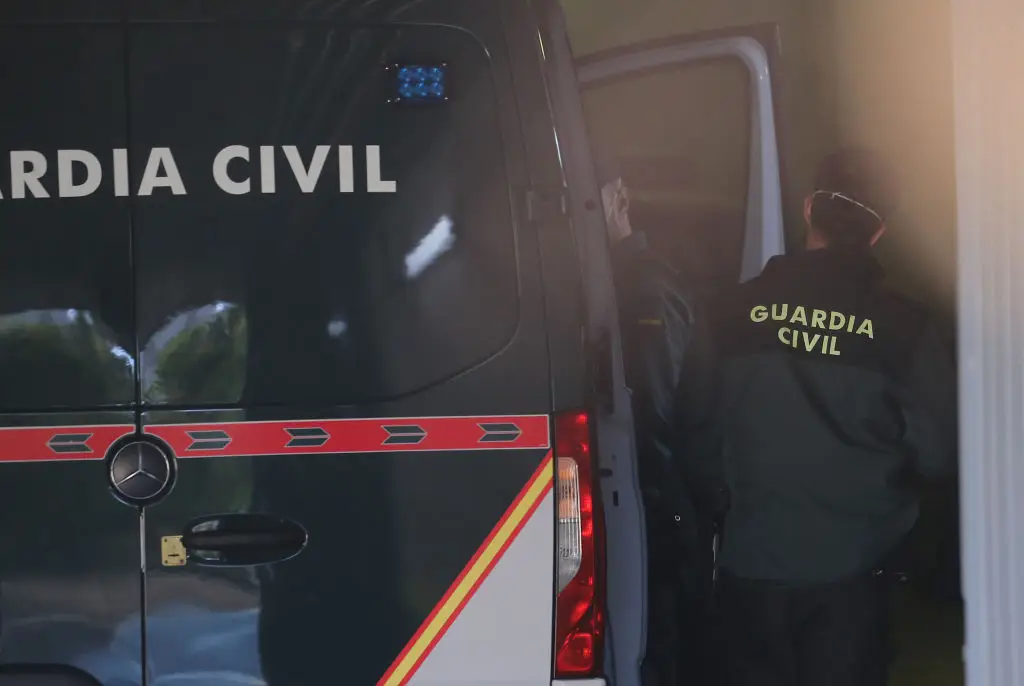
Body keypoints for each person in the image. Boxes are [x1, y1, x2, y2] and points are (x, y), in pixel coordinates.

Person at [673, 147, 957, 686]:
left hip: (750, 570)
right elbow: (939, 453)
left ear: (808, 210)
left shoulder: (727, 314)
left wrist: (730, 517)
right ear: (879, 232)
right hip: (854, 578)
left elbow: (694, 440)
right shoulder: (906, 329)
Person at [595, 152, 716, 685]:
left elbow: (652, 417)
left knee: (660, 653)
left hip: (659, 506)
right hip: (649, 503)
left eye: (589, 195)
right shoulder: (614, 281)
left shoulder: (644, 287)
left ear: (619, 198)